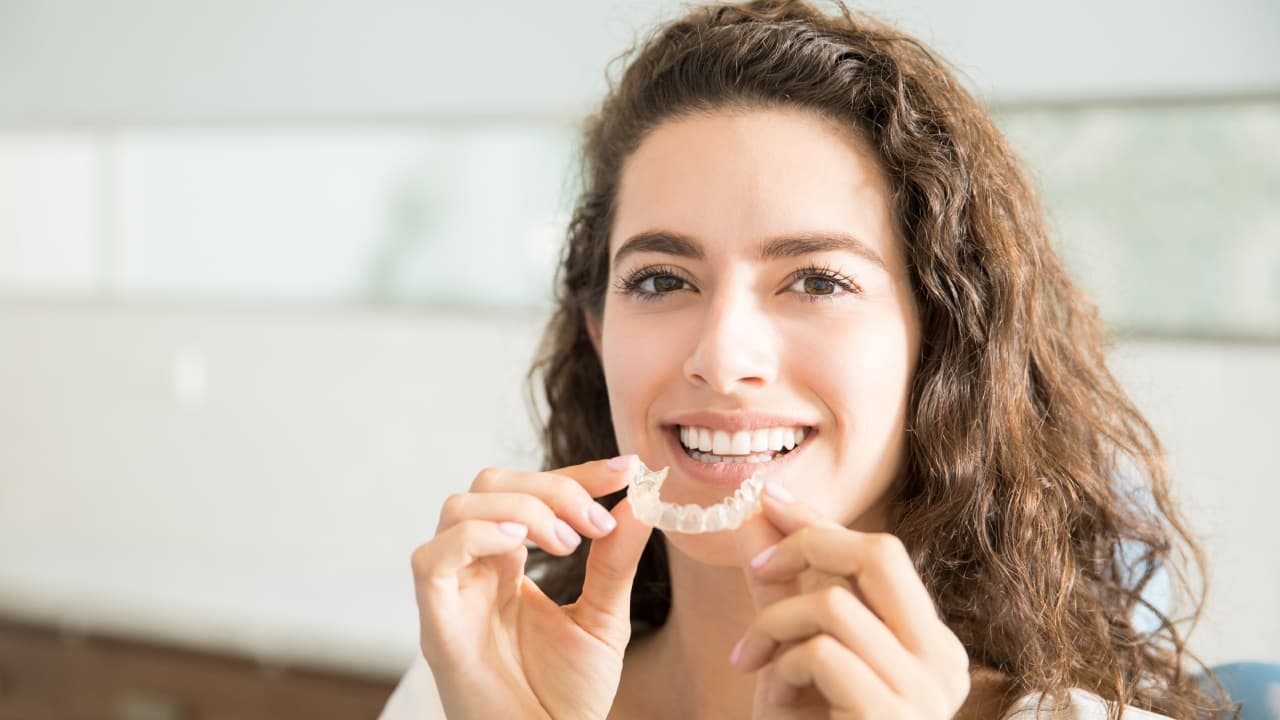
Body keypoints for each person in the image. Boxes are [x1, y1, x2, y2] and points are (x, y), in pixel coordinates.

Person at [382, 1, 1235, 717]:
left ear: (941, 344)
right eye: (662, 278)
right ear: (600, 334)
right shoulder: (464, 687)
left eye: (817, 280)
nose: (723, 357)